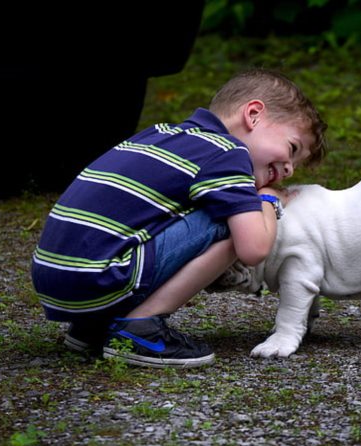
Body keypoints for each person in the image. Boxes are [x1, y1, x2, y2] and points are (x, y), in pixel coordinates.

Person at [31, 68, 327, 368]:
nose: (288, 169)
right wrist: (267, 199)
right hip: (100, 278)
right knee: (230, 220)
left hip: (55, 280)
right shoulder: (227, 153)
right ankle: (140, 328)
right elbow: (254, 249)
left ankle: (93, 328)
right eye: (292, 149)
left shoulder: (160, 134)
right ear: (253, 114)